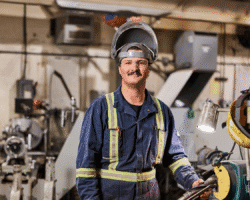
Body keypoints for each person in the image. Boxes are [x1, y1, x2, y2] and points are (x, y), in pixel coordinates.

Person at [76, 21, 212, 200]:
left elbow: (176, 156)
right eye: (128, 62)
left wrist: (192, 181)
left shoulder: (162, 112)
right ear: (120, 68)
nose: (134, 68)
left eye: (140, 62)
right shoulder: (101, 108)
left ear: (148, 69)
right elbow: (86, 167)